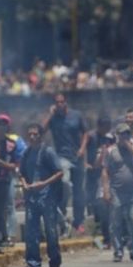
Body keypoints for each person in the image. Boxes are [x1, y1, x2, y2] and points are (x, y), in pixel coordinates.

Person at [17, 123, 63, 267]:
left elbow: (59, 172)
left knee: (50, 230)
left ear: (40, 136)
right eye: (29, 134)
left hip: (47, 197)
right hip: (31, 198)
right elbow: (21, 172)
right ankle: (33, 263)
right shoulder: (26, 153)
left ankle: (54, 262)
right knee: (31, 232)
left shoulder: (48, 152)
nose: (32, 137)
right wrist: (24, 184)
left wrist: (43, 183)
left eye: (35, 134)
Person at [42, 93, 87, 235]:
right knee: (65, 184)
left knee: (79, 192)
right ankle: (62, 218)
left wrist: (82, 148)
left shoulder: (76, 115)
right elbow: (41, 131)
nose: (59, 104)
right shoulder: (54, 118)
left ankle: (78, 222)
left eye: (61, 102)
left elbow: (85, 132)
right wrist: (50, 115)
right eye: (57, 102)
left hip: (77, 157)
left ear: (66, 103)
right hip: (62, 157)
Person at [101, 123, 133, 262]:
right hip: (116, 191)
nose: (124, 136)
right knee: (115, 222)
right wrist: (106, 191)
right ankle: (118, 251)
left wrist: (128, 145)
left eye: (127, 134)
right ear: (117, 135)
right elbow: (105, 171)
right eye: (122, 134)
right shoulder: (110, 151)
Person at [0, 114, 22, 253]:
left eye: (4, 125)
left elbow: (15, 165)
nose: (1, 128)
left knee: (4, 210)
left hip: (3, 181)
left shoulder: (11, 144)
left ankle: (6, 237)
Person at [85, 115, 113, 247]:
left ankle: (104, 231)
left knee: (101, 202)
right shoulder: (91, 136)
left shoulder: (108, 138)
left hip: (103, 172)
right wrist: (85, 163)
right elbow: (83, 149)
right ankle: (97, 226)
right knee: (92, 199)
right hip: (91, 172)